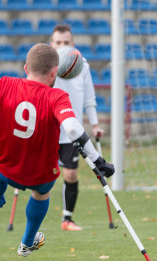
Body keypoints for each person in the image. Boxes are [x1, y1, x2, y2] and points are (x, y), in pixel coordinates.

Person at [0, 43, 114, 257]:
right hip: (40, 176)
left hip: (7, 168)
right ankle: (26, 243)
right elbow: (72, 127)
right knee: (42, 194)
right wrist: (99, 161)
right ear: (54, 73)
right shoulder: (57, 97)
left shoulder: (5, 84)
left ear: (26, 68)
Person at [50, 24, 106, 231]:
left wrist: (95, 125)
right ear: (52, 44)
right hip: (49, 129)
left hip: (71, 130)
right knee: (40, 175)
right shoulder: (47, 65)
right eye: (58, 43)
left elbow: (89, 98)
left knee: (71, 174)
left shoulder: (83, 65)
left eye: (66, 42)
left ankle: (67, 219)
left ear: (73, 45)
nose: (62, 46)